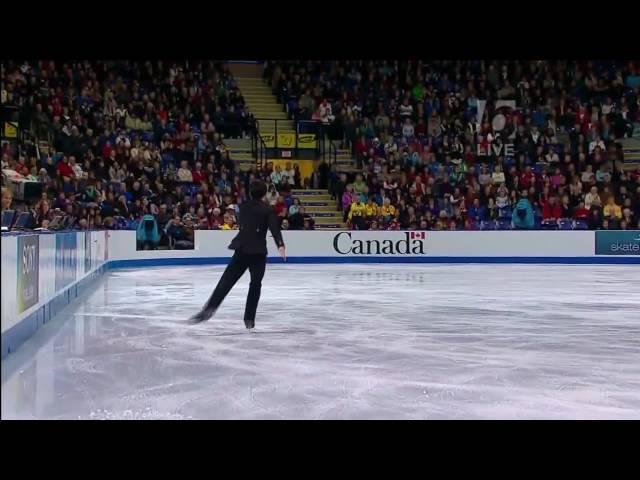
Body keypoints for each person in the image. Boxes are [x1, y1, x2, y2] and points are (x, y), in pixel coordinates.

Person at [190, 181, 286, 329]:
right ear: (264, 193)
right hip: (258, 252)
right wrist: (280, 244)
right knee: (255, 285)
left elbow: (242, 222)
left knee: (226, 281)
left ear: (250, 192)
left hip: (241, 248)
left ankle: (207, 311)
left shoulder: (243, 207)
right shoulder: (268, 210)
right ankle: (249, 319)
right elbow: (274, 228)